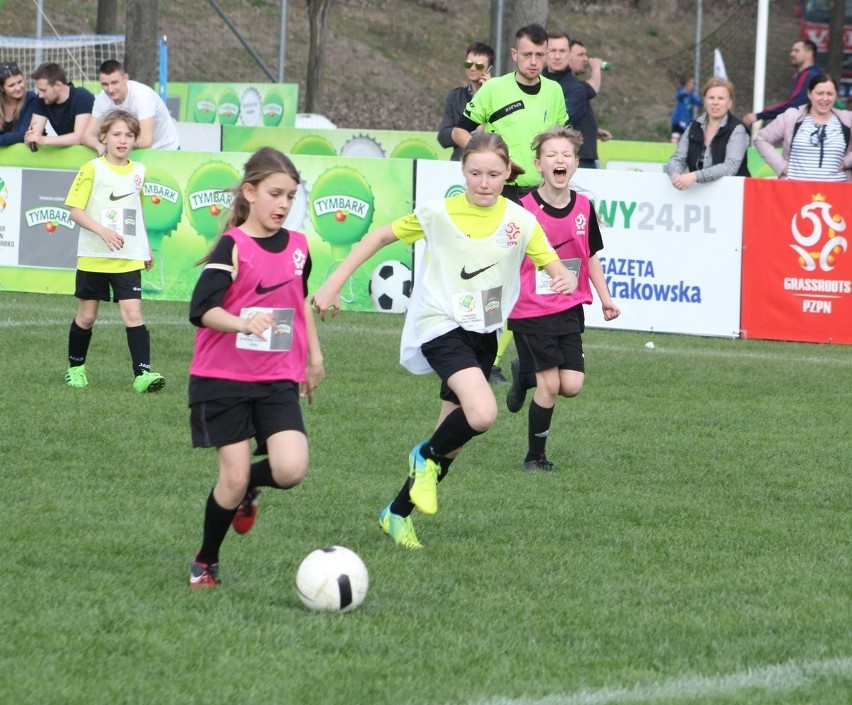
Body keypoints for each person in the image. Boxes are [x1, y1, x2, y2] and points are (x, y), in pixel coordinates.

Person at [311, 132, 578, 549]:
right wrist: (332, 284)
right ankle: (422, 456)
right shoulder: (438, 213)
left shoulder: (521, 221)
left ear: (508, 172)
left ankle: (396, 513)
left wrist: (561, 275)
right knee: (483, 413)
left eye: (493, 174)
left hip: (483, 334)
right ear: (463, 172)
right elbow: (379, 237)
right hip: (439, 325)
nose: (484, 182)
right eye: (475, 173)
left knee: (448, 443)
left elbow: (550, 262)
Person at [187, 147, 325, 588]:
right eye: (274, 194)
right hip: (222, 379)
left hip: (276, 378)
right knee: (232, 475)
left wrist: (313, 356)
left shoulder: (300, 246)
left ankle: (250, 487)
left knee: (291, 469)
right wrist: (243, 321)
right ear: (249, 192)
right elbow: (202, 308)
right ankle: (206, 560)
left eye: (290, 196)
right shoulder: (233, 246)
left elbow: (299, 302)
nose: (283, 205)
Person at [505, 126, 620, 471]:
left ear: (575, 163)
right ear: (539, 164)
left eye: (566, 155)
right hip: (530, 309)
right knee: (551, 385)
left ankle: (523, 373)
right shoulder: (522, 208)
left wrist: (605, 298)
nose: (560, 159)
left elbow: (591, 256)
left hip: (569, 307)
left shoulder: (584, 207)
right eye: (552, 154)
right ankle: (534, 458)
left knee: (572, 385)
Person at [63, 109, 166, 393]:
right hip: (94, 256)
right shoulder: (92, 168)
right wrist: (103, 231)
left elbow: (137, 211)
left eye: (129, 135)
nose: (123, 140)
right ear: (104, 137)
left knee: (133, 313)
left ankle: (142, 375)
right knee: (87, 316)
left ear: (135, 140)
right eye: (117, 134)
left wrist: (145, 248)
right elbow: (75, 211)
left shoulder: (139, 172)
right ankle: (76, 369)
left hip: (128, 257)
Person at [451, 24, 568, 203]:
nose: (534, 61)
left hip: (543, 191)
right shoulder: (493, 88)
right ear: (514, 54)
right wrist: (489, 157)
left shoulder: (554, 90)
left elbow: (563, 140)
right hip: (502, 189)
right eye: (527, 54)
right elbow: (458, 131)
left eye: (539, 55)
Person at [753, 73, 852, 182]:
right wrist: (782, 166)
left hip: (838, 191)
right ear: (809, 94)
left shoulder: (847, 119)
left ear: (836, 95)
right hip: (795, 190)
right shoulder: (791, 117)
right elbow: (761, 139)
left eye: (830, 94)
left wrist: (846, 162)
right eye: (820, 93)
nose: (825, 98)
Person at [667, 77, 751, 191]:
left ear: (729, 103)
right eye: (711, 98)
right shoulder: (693, 126)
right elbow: (678, 158)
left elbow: (730, 167)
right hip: (698, 195)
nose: (715, 102)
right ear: (705, 101)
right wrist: (675, 174)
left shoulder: (738, 129)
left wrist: (695, 176)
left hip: (733, 194)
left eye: (721, 98)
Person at [83, 59, 180, 153]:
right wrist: (100, 146)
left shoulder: (141, 95)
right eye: (105, 84)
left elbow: (146, 141)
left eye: (114, 82)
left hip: (166, 149)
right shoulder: (102, 99)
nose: (110, 89)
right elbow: (87, 135)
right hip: (131, 150)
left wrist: (115, 145)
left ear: (125, 78)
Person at [743, 40, 822, 128]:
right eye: (792, 51)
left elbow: (794, 105)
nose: (791, 54)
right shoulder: (814, 72)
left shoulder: (808, 75)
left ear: (809, 54)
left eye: (796, 51)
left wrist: (759, 115)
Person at [437, 41, 494, 161]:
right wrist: (465, 133)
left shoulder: (497, 96)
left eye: (478, 66)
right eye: (468, 64)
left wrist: (489, 91)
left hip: (490, 162)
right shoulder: (455, 96)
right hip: (460, 164)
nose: (472, 68)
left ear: (489, 69)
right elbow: (443, 137)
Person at [24, 62, 95, 148]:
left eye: (44, 90)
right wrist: (31, 138)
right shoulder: (42, 100)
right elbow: (35, 133)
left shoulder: (82, 97)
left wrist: (43, 140)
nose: (40, 95)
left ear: (58, 85)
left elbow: (79, 138)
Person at [566, 38, 608, 168]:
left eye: (585, 54)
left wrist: (593, 130)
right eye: (580, 55)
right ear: (566, 57)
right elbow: (592, 89)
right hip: (579, 158)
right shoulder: (569, 86)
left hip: (585, 157)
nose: (585, 59)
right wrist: (596, 68)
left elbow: (571, 118)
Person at [0, 60, 37, 146]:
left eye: (20, 82)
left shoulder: (31, 99)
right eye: (11, 85)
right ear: (1, 88)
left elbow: (23, 134)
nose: (18, 88)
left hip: (31, 156)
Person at [670, 75, 702, 141]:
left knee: (688, 140)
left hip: (687, 121)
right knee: (675, 140)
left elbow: (699, 103)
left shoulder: (692, 94)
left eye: (693, 83)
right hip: (678, 121)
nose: (692, 85)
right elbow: (678, 96)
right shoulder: (681, 92)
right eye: (690, 83)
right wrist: (685, 91)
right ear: (685, 84)